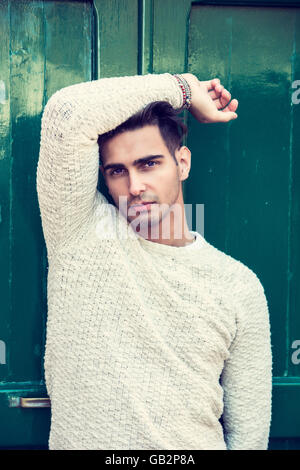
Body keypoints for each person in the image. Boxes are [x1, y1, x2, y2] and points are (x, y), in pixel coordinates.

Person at [36, 72, 272, 450]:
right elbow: (67, 115)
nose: (134, 187)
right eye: (117, 171)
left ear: (183, 163)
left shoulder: (238, 286)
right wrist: (185, 88)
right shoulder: (78, 233)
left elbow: (249, 435)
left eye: (148, 164)